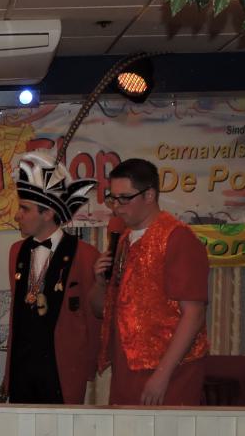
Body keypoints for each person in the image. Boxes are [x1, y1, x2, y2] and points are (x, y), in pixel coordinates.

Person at [90, 158, 210, 405]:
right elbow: (101, 310)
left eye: (125, 198)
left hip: (170, 372)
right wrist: (100, 282)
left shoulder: (177, 238)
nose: (117, 207)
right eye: (113, 198)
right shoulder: (123, 241)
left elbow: (194, 314)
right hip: (127, 369)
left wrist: (162, 375)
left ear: (150, 195)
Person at [0, 152, 101, 405]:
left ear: (47, 213)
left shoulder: (86, 254)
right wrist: (9, 375)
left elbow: (93, 319)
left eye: (24, 209)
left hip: (63, 371)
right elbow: (17, 317)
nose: (17, 215)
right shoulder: (16, 252)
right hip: (23, 370)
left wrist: (89, 370)